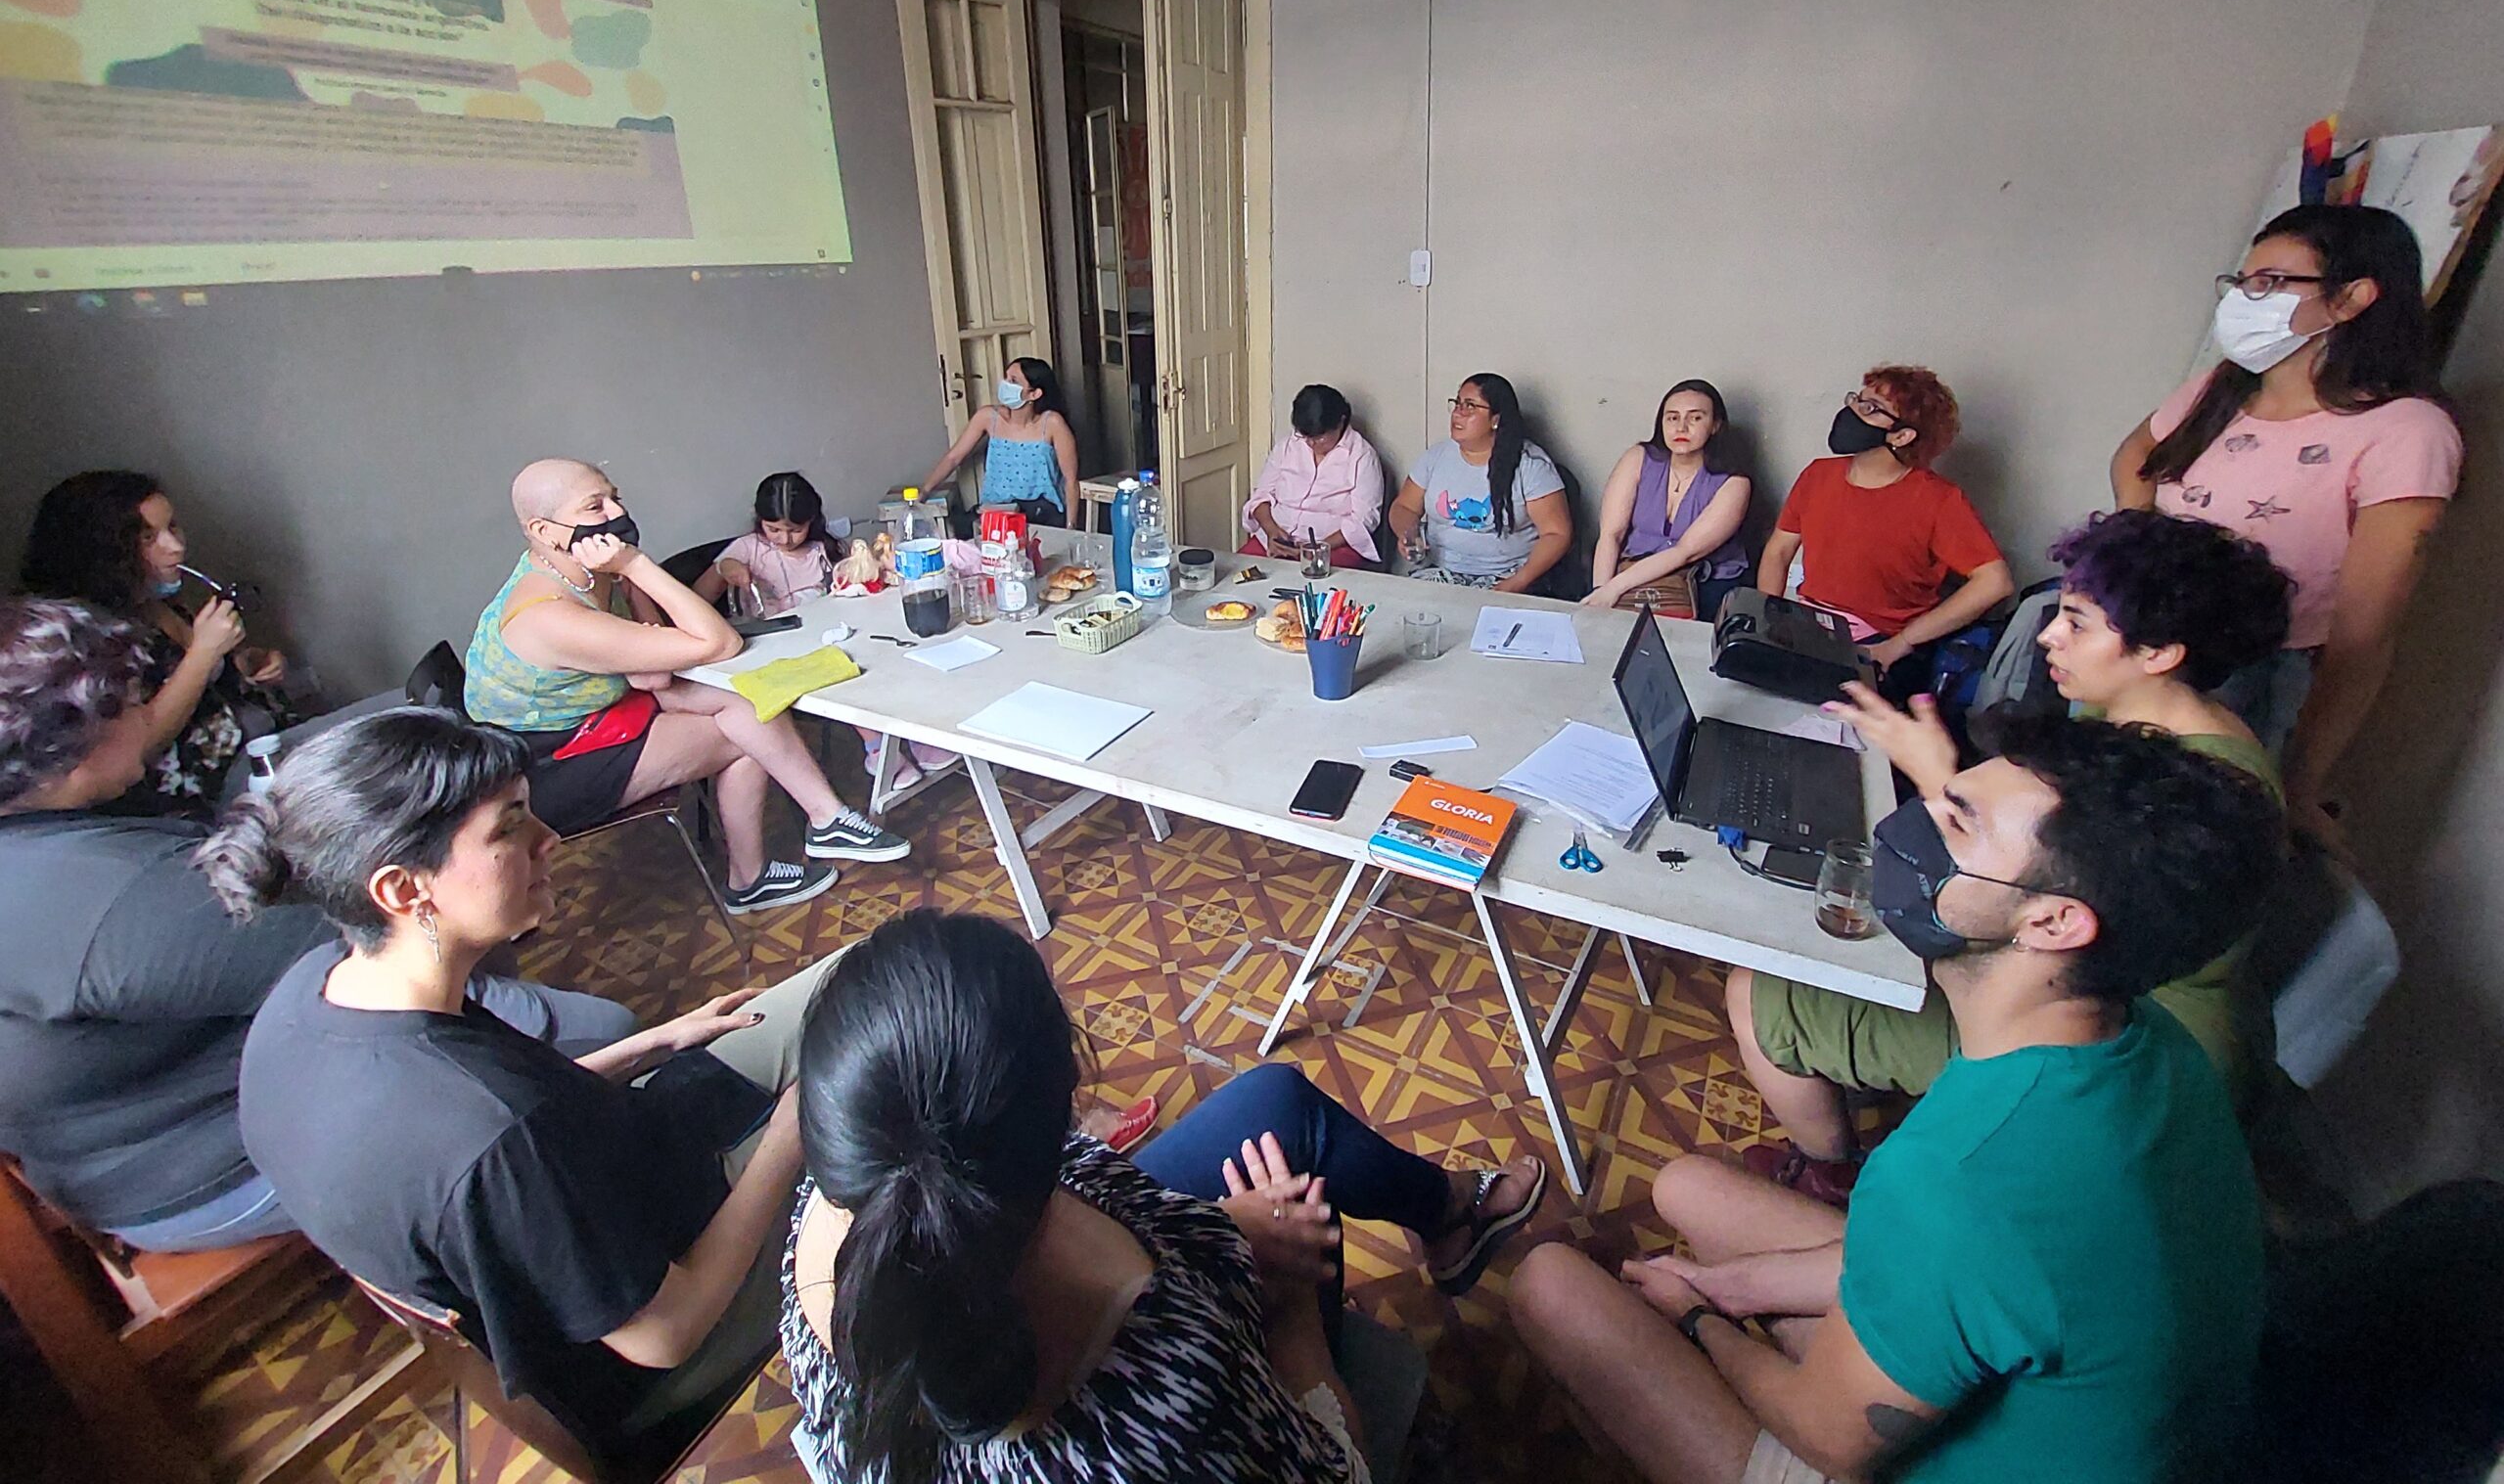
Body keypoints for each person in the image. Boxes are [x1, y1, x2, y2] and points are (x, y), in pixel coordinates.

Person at [1510, 717, 2285, 1484]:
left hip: (1891, 1445)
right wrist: (1733, 1285)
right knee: (1687, 1187)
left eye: (1957, 823)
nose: (1907, 831)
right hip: (2082, 1400)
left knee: (1549, 1287)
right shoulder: (2144, 1036)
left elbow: (1829, 1438)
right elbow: (1975, 1268)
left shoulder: (1958, 1179)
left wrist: (1696, 1318)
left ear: (2051, 922)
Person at [215, 708, 836, 1466]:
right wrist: (797, 1125)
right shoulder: (487, 1136)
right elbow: (667, 1335)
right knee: (915, 1060)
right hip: (665, 1330)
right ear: (404, 888)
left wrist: (654, 1044)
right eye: (510, 828)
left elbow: (512, 1121)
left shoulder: (317, 995)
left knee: (873, 974)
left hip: (624, 1171)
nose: (550, 841)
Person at [780, 908, 1549, 1484]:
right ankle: (1447, 1232)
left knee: (1275, 1105)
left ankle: (1446, 1216)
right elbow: (1332, 1470)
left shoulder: (855, 1191)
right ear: (1065, 1108)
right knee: (1303, 1200)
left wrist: (1219, 1226)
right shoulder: (1170, 1400)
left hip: (1134, 1295)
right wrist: (1288, 1314)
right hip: (1213, 1392)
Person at [0, 603, 631, 1253]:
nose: (150, 710)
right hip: (188, 1166)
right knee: (599, 1033)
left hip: (115, 1146)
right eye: (138, 699)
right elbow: (383, 956)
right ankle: (587, 1241)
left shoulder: (41, 848)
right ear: (76, 742)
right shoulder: (115, 900)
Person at [1727, 507, 2295, 1203]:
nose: (2050, 636)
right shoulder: (2117, 711)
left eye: (2078, 623)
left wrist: (1936, 779)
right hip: (2076, 984)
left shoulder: (2190, 778)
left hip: (2114, 1044)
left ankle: (1830, 1178)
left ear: (2160, 653)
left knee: (1759, 991)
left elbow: (2046, 897)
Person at [2111, 203, 2461, 839]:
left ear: (2350, 299)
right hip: (2144, 646)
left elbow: (2363, 637)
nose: (2246, 299)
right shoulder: (2221, 388)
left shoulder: (2408, 433)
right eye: (2243, 282)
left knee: (2181, 846)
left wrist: (2302, 779)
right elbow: (2135, 458)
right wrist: (2135, 564)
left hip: (2256, 675)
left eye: (2271, 283)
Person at [463, 459, 905, 916]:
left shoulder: (583, 570)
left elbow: (652, 665)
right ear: (544, 529)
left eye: (616, 497)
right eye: (596, 507)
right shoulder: (548, 614)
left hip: (603, 714)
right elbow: (720, 642)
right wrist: (635, 564)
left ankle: (825, 819)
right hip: (541, 768)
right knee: (746, 730)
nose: (616, 513)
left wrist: (627, 580)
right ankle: (756, 875)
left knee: (749, 698)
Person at [20, 471, 290, 819]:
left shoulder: (158, 601)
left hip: (263, 743)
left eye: (172, 527)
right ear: (101, 551)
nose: (175, 546)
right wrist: (204, 655)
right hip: (206, 793)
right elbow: (134, 748)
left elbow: (192, 679)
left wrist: (244, 664)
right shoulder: (79, 637)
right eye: (149, 537)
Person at [1756, 368, 2013, 703]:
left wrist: (1902, 643)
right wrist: (1769, 616)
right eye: (1857, 400)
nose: (1852, 411)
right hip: (1811, 623)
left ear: (1902, 436)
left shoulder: (1938, 500)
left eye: (1870, 408)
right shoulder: (1818, 474)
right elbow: (1778, 550)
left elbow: (1995, 582)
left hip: (1882, 644)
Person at [1582, 380, 1752, 621]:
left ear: (1715, 425)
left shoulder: (1734, 482)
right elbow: (1611, 534)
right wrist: (1600, 591)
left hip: (1704, 581)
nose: (1681, 428)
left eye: (1695, 418)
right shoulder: (1638, 458)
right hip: (1633, 570)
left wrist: (1614, 589)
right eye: (1672, 418)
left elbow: (1686, 552)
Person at [1387, 373, 1572, 593]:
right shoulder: (1436, 456)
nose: (1458, 413)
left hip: (1506, 577)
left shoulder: (1530, 464)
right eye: (1457, 403)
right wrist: (1408, 533)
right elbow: (1403, 507)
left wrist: (1518, 582)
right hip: (1439, 571)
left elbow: (1556, 534)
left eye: (1470, 406)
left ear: (1495, 419)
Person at [924, 357, 1081, 528]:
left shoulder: (1052, 423)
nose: (1006, 384)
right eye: (1006, 378)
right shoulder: (988, 417)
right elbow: (953, 458)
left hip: (1042, 512)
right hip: (997, 510)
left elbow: (1071, 480)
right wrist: (925, 490)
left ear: (1034, 394)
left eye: (1014, 381)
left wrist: (1071, 528)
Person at [1243, 384, 1387, 569]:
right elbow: (1261, 496)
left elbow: (1363, 520)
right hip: (1275, 541)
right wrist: (1271, 531)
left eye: (1319, 438)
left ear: (1341, 422)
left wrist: (1317, 548)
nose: (1310, 444)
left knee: (1313, 589)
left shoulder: (1362, 456)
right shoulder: (1288, 445)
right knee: (1237, 579)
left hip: (1333, 547)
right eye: (1305, 436)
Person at [693, 472, 841, 615]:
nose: (785, 540)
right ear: (760, 519)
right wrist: (724, 568)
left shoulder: (821, 549)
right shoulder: (749, 548)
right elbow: (696, 600)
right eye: (774, 529)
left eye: (796, 531)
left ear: (812, 520)